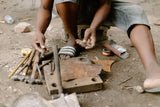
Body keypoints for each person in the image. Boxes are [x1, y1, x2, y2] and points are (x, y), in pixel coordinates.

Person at [32, 0, 160, 92]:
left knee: (135, 12)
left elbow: (106, 3)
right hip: (70, 10)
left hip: (100, 8)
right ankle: (72, 38)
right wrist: (39, 31)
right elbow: (45, 7)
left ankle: (153, 70)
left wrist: (93, 27)